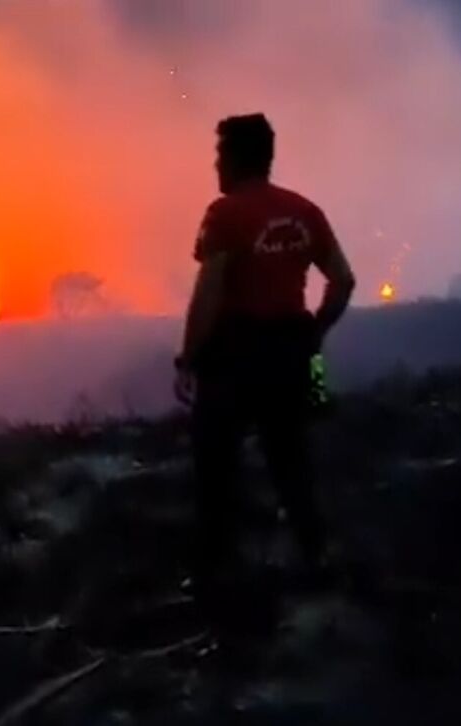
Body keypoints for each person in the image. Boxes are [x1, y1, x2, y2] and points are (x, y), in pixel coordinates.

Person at [174, 113, 356, 627]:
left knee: (216, 468)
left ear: (234, 159)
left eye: (219, 155)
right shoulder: (305, 212)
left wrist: (189, 357)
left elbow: (209, 292)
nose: (215, 165)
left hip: (235, 355)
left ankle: (214, 577)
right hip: (291, 353)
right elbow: (343, 280)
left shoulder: (224, 215)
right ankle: (316, 557)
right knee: (291, 461)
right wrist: (315, 331)